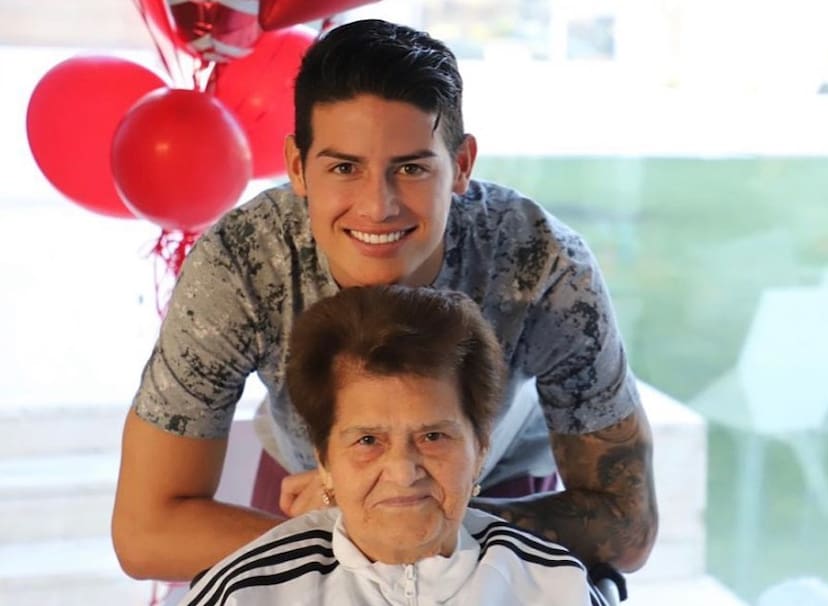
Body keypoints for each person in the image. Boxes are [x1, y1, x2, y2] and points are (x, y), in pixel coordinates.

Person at [112, 18, 657, 583]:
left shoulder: (542, 264)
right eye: (344, 167)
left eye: (412, 168)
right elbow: (146, 533)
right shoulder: (242, 262)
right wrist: (344, 527)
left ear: (462, 165)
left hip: (496, 495)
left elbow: (627, 526)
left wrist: (410, 526)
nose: (378, 207)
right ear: (298, 167)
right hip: (310, 491)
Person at [178, 285, 613, 605]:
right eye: (368, 440)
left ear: (479, 448)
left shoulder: (558, 588)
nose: (404, 472)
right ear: (324, 459)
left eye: (433, 437)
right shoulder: (246, 592)